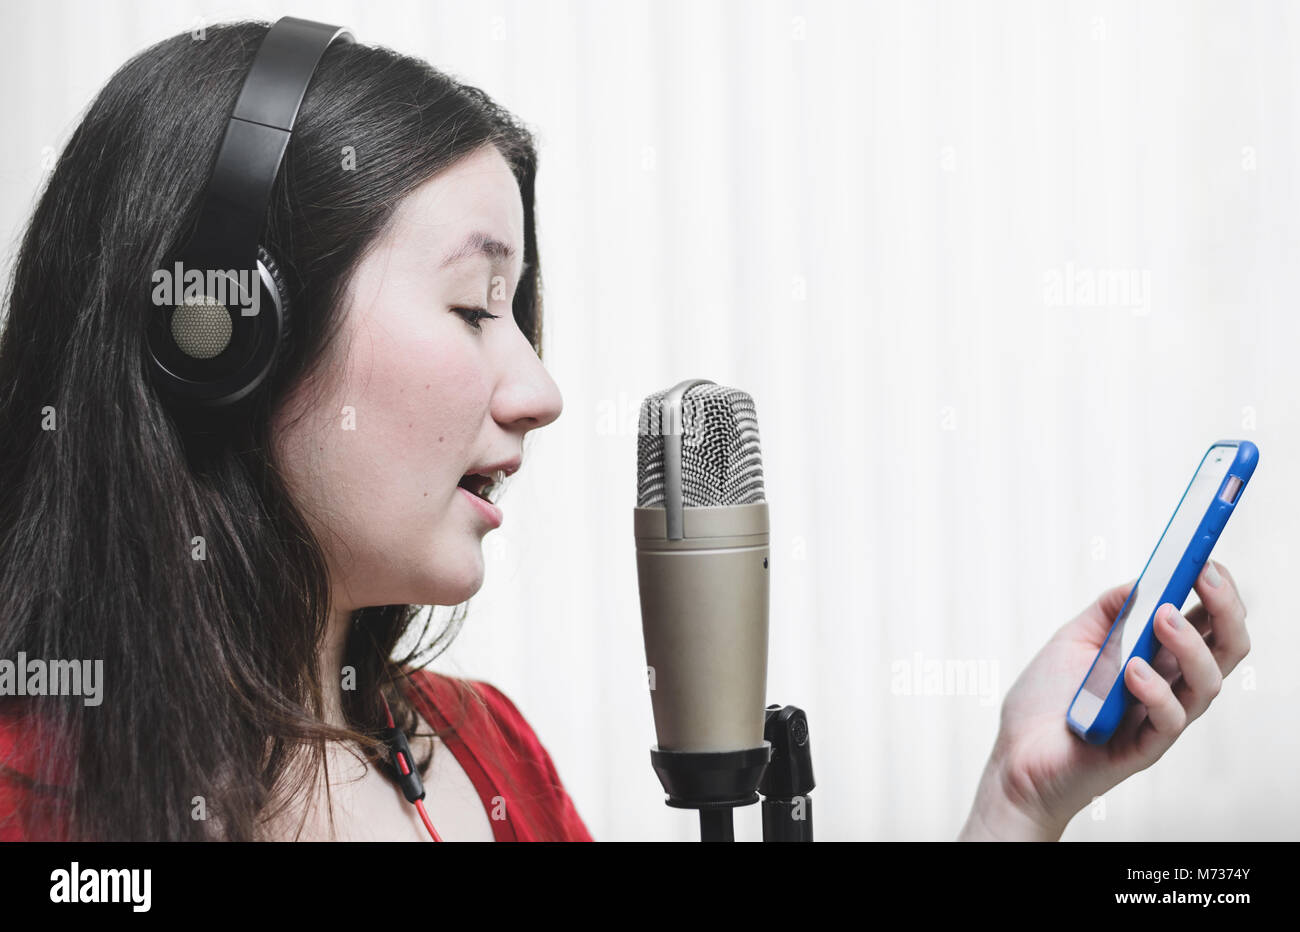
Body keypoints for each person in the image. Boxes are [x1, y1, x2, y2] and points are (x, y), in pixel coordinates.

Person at [0, 20, 1251, 842]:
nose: (541, 390)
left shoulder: (488, 758)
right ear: (220, 332)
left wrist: (1019, 803)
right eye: (473, 305)